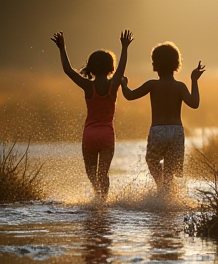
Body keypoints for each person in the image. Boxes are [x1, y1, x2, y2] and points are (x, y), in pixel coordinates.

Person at [51, 30, 133, 200]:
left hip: (89, 135)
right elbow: (123, 67)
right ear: (111, 67)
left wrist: (62, 48)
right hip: (107, 136)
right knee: (103, 174)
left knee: (91, 174)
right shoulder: (113, 84)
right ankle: (103, 202)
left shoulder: (88, 86)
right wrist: (125, 48)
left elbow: (68, 71)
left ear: (91, 67)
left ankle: (97, 196)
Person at [121, 41, 205, 192]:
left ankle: (161, 189)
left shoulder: (152, 84)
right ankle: (167, 192)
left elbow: (129, 95)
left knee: (152, 161)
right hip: (177, 131)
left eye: (153, 61)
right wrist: (194, 80)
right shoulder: (180, 86)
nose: (152, 64)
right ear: (176, 64)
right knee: (170, 170)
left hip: (158, 131)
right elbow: (195, 103)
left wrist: (124, 84)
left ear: (157, 65)